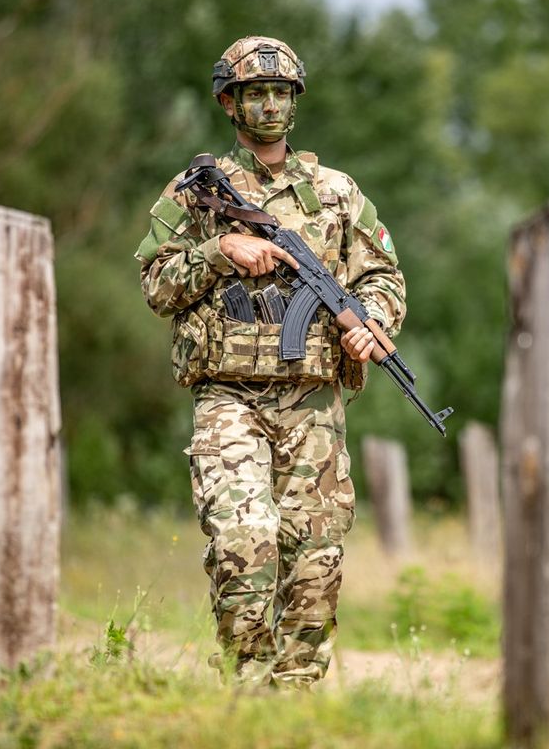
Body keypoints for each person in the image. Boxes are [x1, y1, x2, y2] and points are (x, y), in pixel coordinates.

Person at [134, 36, 406, 689]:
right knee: (243, 547)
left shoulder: (337, 193)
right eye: (255, 93)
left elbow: (383, 278)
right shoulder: (196, 191)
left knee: (313, 567)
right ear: (229, 103)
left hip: (313, 406)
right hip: (228, 397)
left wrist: (372, 324)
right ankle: (249, 694)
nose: (270, 106)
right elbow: (156, 285)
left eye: (281, 93)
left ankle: (296, 709)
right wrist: (221, 249)